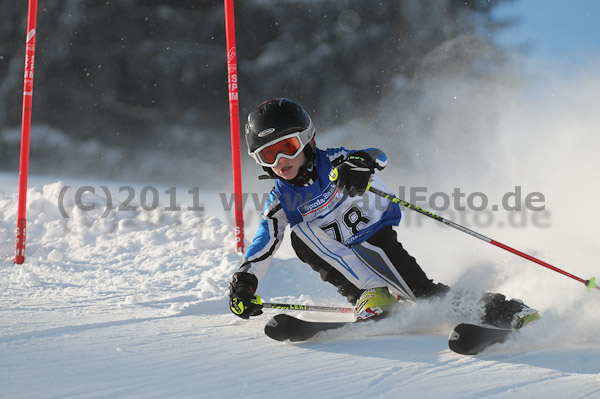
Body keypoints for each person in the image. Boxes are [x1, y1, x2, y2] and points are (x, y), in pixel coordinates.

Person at [228, 98, 539, 328]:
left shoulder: (334, 161)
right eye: (268, 154)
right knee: (300, 237)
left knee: (424, 294)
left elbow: (377, 156)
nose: (281, 159)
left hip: (375, 235)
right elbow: (263, 244)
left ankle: (508, 311)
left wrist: (359, 165)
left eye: (289, 146)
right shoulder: (280, 200)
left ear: (308, 139)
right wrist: (244, 281)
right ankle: (371, 297)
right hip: (346, 257)